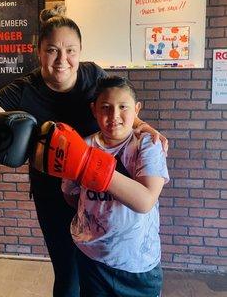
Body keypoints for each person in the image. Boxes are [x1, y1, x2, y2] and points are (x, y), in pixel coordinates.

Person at [0, 6, 168, 297]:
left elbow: (117, 103)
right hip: (55, 194)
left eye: (70, 50)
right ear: (38, 51)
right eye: (52, 50)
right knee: (69, 273)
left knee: (97, 267)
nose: (62, 59)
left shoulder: (92, 75)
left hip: (101, 190)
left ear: (80, 51)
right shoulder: (24, 89)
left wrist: (144, 126)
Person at [62, 76, 169, 297]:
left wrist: (89, 165)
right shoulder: (82, 146)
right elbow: (71, 195)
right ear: (94, 110)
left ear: (137, 109)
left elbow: (145, 201)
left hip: (137, 263)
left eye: (123, 107)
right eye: (106, 108)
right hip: (92, 257)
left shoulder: (148, 144)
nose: (114, 116)